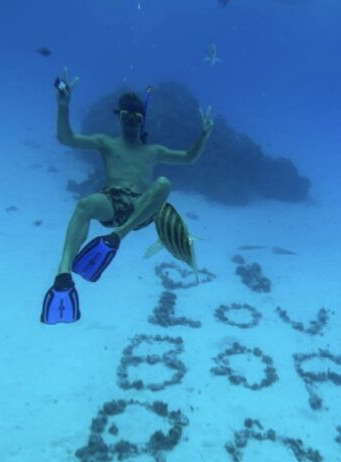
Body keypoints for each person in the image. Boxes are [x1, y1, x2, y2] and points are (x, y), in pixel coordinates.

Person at [41, 68, 214, 324]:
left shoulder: (153, 151)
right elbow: (66, 138)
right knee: (85, 204)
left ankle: (115, 237)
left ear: (142, 119)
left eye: (136, 116)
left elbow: (189, 158)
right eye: (126, 116)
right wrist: (63, 106)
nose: (131, 121)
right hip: (112, 201)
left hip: (140, 209)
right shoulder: (106, 143)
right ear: (119, 118)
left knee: (164, 183)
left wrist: (203, 135)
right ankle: (63, 274)